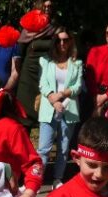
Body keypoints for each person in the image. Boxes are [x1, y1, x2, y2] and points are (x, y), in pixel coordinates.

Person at [38, 27, 83, 188]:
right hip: (49, 108)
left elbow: (78, 86)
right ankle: (36, 182)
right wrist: (53, 98)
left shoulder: (77, 63)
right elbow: (43, 84)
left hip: (69, 110)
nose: (62, 43)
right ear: (54, 42)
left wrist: (62, 94)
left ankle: (57, 179)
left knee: (63, 149)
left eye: (65, 40)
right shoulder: (46, 60)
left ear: (70, 41)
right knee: (43, 149)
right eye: (59, 40)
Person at [15, 0, 57, 128]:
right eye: (44, 6)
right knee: (24, 110)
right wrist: (18, 71)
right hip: (28, 73)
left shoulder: (55, 29)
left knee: (45, 108)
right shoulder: (28, 28)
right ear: (38, 8)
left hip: (47, 73)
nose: (47, 8)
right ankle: (23, 143)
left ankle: (44, 143)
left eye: (50, 6)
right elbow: (19, 54)